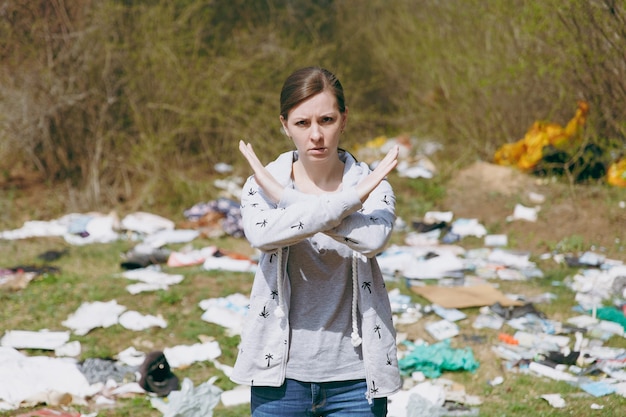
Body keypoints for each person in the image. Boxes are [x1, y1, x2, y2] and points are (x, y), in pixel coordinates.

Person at [231, 66, 401, 416]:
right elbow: (263, 236)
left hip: (356, 378)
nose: (316, 135)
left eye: (326, 119)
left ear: (344, 119)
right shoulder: (262, 183)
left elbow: (372, 239)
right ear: (284, 125)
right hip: (278, 376)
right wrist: (347, 201)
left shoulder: (372, 184)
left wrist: (288, 201)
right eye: (302, 123)